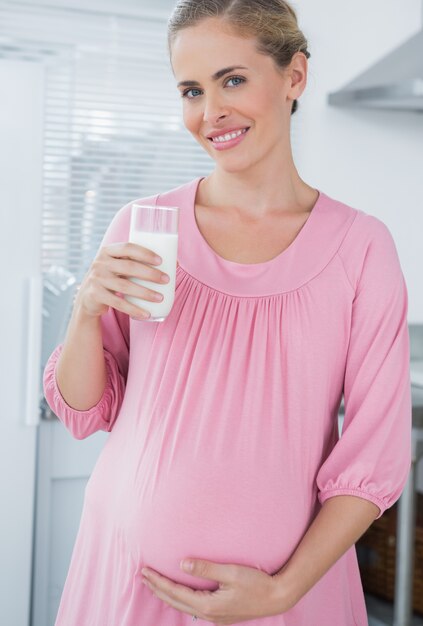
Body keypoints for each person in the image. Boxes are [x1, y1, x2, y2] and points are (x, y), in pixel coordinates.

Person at [43, 0, 412, 624]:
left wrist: (282, 591)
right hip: (127, 581)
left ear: (294, 76)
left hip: (287, 600)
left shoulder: (361, 247)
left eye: (232, 79)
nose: (210, 113)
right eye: (191, 89)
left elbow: (373, 461)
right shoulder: (144, 226)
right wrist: (84, 312)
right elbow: (84, 411)